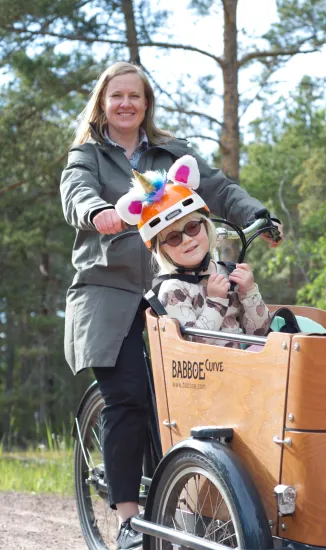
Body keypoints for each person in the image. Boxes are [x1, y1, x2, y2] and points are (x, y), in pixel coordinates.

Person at [60, 61, 282, 550]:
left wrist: (259, 216)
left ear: (146, 104)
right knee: (131, 399)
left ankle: (194, 501)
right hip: (109, 294)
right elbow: (75, 195)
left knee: (194, 396)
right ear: (102, 102)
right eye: (116, 95)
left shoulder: (172, 152)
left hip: (181, 289)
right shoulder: (88, 157)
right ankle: (128, 522)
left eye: (134, 96)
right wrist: (99, 213)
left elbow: (218, 188)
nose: (125, 104)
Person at [115, 155, 271, 347]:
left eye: (192, 228)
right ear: (161, 250)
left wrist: (249, 292)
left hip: (243, 367)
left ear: (206, 226)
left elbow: (260, 333)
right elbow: (193, 346)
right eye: (173, 238)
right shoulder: (173, 290)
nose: (187, 239)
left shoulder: (227, 273)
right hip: (205, 373)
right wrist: (216, 300)